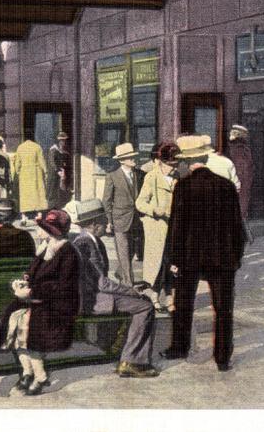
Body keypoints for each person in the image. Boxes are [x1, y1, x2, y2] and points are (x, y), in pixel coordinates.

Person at [159, 136, 246, 372]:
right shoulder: (226, 186)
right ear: (206, 157)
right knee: (224, 309)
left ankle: (179, 347)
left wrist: (173, 260)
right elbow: (238, 228)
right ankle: (223, 358)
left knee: (183, 303)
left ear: (187, 161)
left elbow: (176, 228)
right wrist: (236, 256)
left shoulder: (183, 187)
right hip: (222, 258)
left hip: (190, 257)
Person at [70, 199, 159, 378]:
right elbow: (101, 283)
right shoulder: (84, 244)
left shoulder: (92, 241)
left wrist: (129, 289)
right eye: (105, 221)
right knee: (145, 306)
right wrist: (131, 290)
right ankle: (132, 361)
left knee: (140, 302)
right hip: (89, 299)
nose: (108, 224)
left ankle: (122, 353)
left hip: (94, 295)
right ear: (95, 224)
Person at [0, 209, 80, 396]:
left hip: (59, 303)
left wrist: (32, 292)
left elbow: (63, 286)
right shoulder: (45, 248)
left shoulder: (68, 253)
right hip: (39, 299)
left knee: (31, 323)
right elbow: (33, 273)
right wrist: (23, 282)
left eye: (41, 228)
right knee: (13, 316)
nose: (37, 231)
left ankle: (39, 375)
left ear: (52, 231)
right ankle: (28, 372)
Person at [135, 142, 180, 312]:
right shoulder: (151, 177)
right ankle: (153, 296)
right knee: (158, 266)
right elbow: (139, 203)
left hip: (173, 229)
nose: (172, 168)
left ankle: (169, 298)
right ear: (160, 161)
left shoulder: (178, 178)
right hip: (156, 229)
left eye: (175, 165)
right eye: (170, 165)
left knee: (171, 265)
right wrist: (155, 210)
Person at [102, 143, 145, 286]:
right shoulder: (112, 176)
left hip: (136, 219)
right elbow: (106, 201)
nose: (134, 159)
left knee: (131, 251)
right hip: (119, 219)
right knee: (124, 253)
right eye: (130, 157)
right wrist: (109, 221)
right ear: (122, 160)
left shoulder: (139, 174)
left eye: (133, 157)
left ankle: (121, 273)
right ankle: (128, 284)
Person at [226, 124, 254, 240]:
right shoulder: (241, 149)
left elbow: (243, 168)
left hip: (240, 182)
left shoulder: (237, 149)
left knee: (239, 209)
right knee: (241, 209)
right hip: (242, 182)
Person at [13, 137, 48, 217]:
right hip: (35, 173)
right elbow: (41, 160)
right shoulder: (37, 146)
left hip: (24, 173)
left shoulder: (20, 147)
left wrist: (18, 172)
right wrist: (46, 171)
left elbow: (17, 163)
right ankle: (39, 214)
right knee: (38, 193)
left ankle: (24, 217)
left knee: (25, 195)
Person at [46, 132, 72, 209]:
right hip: (54, 175)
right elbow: (52, 162)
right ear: (58, 141)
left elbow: (66, 163)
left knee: (61, 192)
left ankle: (59, 209)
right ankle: (51, 210)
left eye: (64, 141)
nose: (63, 142)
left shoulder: (65, 151)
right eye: (61, 140)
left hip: (62, 175)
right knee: (52, 192)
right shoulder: (53, 150)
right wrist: (58, 171)